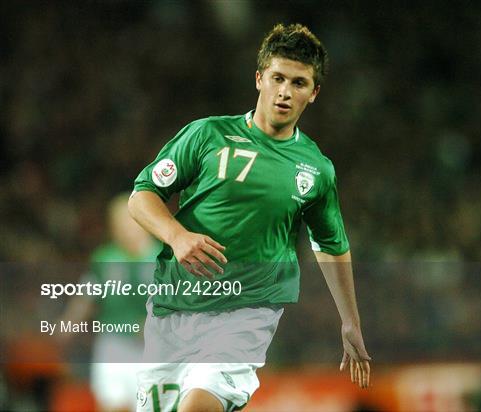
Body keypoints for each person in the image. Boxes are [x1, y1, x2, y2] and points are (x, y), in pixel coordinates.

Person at [129, 23, 371, 412]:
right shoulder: (207, 135)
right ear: (259, 79)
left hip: (246, 312)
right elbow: (142, 197)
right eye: (277, 78)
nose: (285, 92)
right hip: (173, 306)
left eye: (299, 83)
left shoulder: (315, 170)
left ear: (314, 93)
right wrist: (176, 236)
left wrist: (350, 322)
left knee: (198, 406)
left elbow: (330, 244)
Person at [60, 193, 160, 411]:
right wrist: (68, 324)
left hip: (153, 348)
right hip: (113, 342)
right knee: (111, 405)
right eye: (119, 222)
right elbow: (86, 295)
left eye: (130, 221)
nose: (125, 228)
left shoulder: (164, 257)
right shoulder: (104, 258)